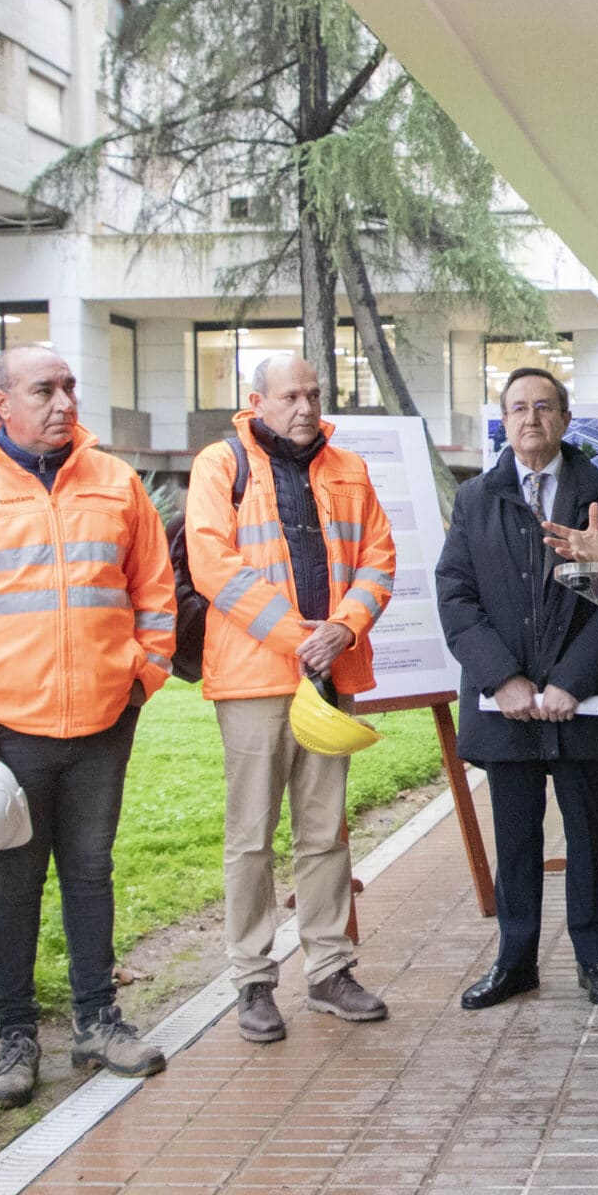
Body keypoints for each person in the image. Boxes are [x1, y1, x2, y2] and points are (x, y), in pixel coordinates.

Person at [0, 343, 178, 1106]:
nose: (63, 402)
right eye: (43, 389)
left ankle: (97, 1020)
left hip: (101, 722)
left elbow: (156, 593)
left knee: (91, 873)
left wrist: (140, 680)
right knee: (13, 883)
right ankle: (15, 1034)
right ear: (1, 402)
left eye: (69, 387)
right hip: (4, 733)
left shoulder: (116, 483)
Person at [182, 353, 397, 1042]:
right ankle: (252, 978)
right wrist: (294, 635)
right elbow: (211, 563)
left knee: (325, 828)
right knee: (251, 836)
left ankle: (330, 967)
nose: (304, 407)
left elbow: (379, 558)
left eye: (313, 393)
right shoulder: (221, 465)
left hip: (329, 670)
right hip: (255, 678)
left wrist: (342, 628)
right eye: (289, 396)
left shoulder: (348, 468)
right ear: (257, 400)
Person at [436, 367, 598, 1011]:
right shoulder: (476, 499)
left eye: (543, 407)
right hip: (507, 706)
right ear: (504, 421)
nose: (531, 419)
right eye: (518, 408)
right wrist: (505, 678)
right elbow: (457, 598)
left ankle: (596, 962)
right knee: (515, 839)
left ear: (564, 418)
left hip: (584, 704)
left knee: (589, 836)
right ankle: (515, 961)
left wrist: (571, 683)